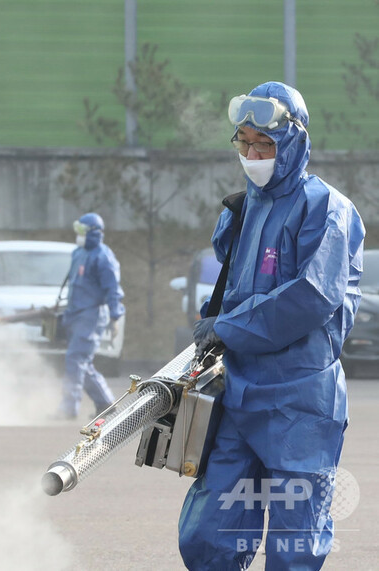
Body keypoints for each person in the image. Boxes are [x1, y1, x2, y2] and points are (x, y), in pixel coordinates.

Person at [179, 82, 365, 570]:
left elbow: (312, 297)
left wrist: (229, 327)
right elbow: (238, 288)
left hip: (300, 402)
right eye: (245, 143)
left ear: (294, 143)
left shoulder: (327, 209)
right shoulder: (244, 208)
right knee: (209, 532)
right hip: (240, 393)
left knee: (294, 543)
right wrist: (215, 319)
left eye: (265, 144)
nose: (254, 154)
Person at [55, 212, 125, 419]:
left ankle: (69, 408)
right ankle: (105, 403)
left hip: (92, 315)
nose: (78, 235)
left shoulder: (103, 257)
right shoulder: (79, 253)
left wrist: (115, 317)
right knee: (82, 361)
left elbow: (113, 289)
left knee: (75, 359)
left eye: (82, 231)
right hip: (76, 314)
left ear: (94, 233)